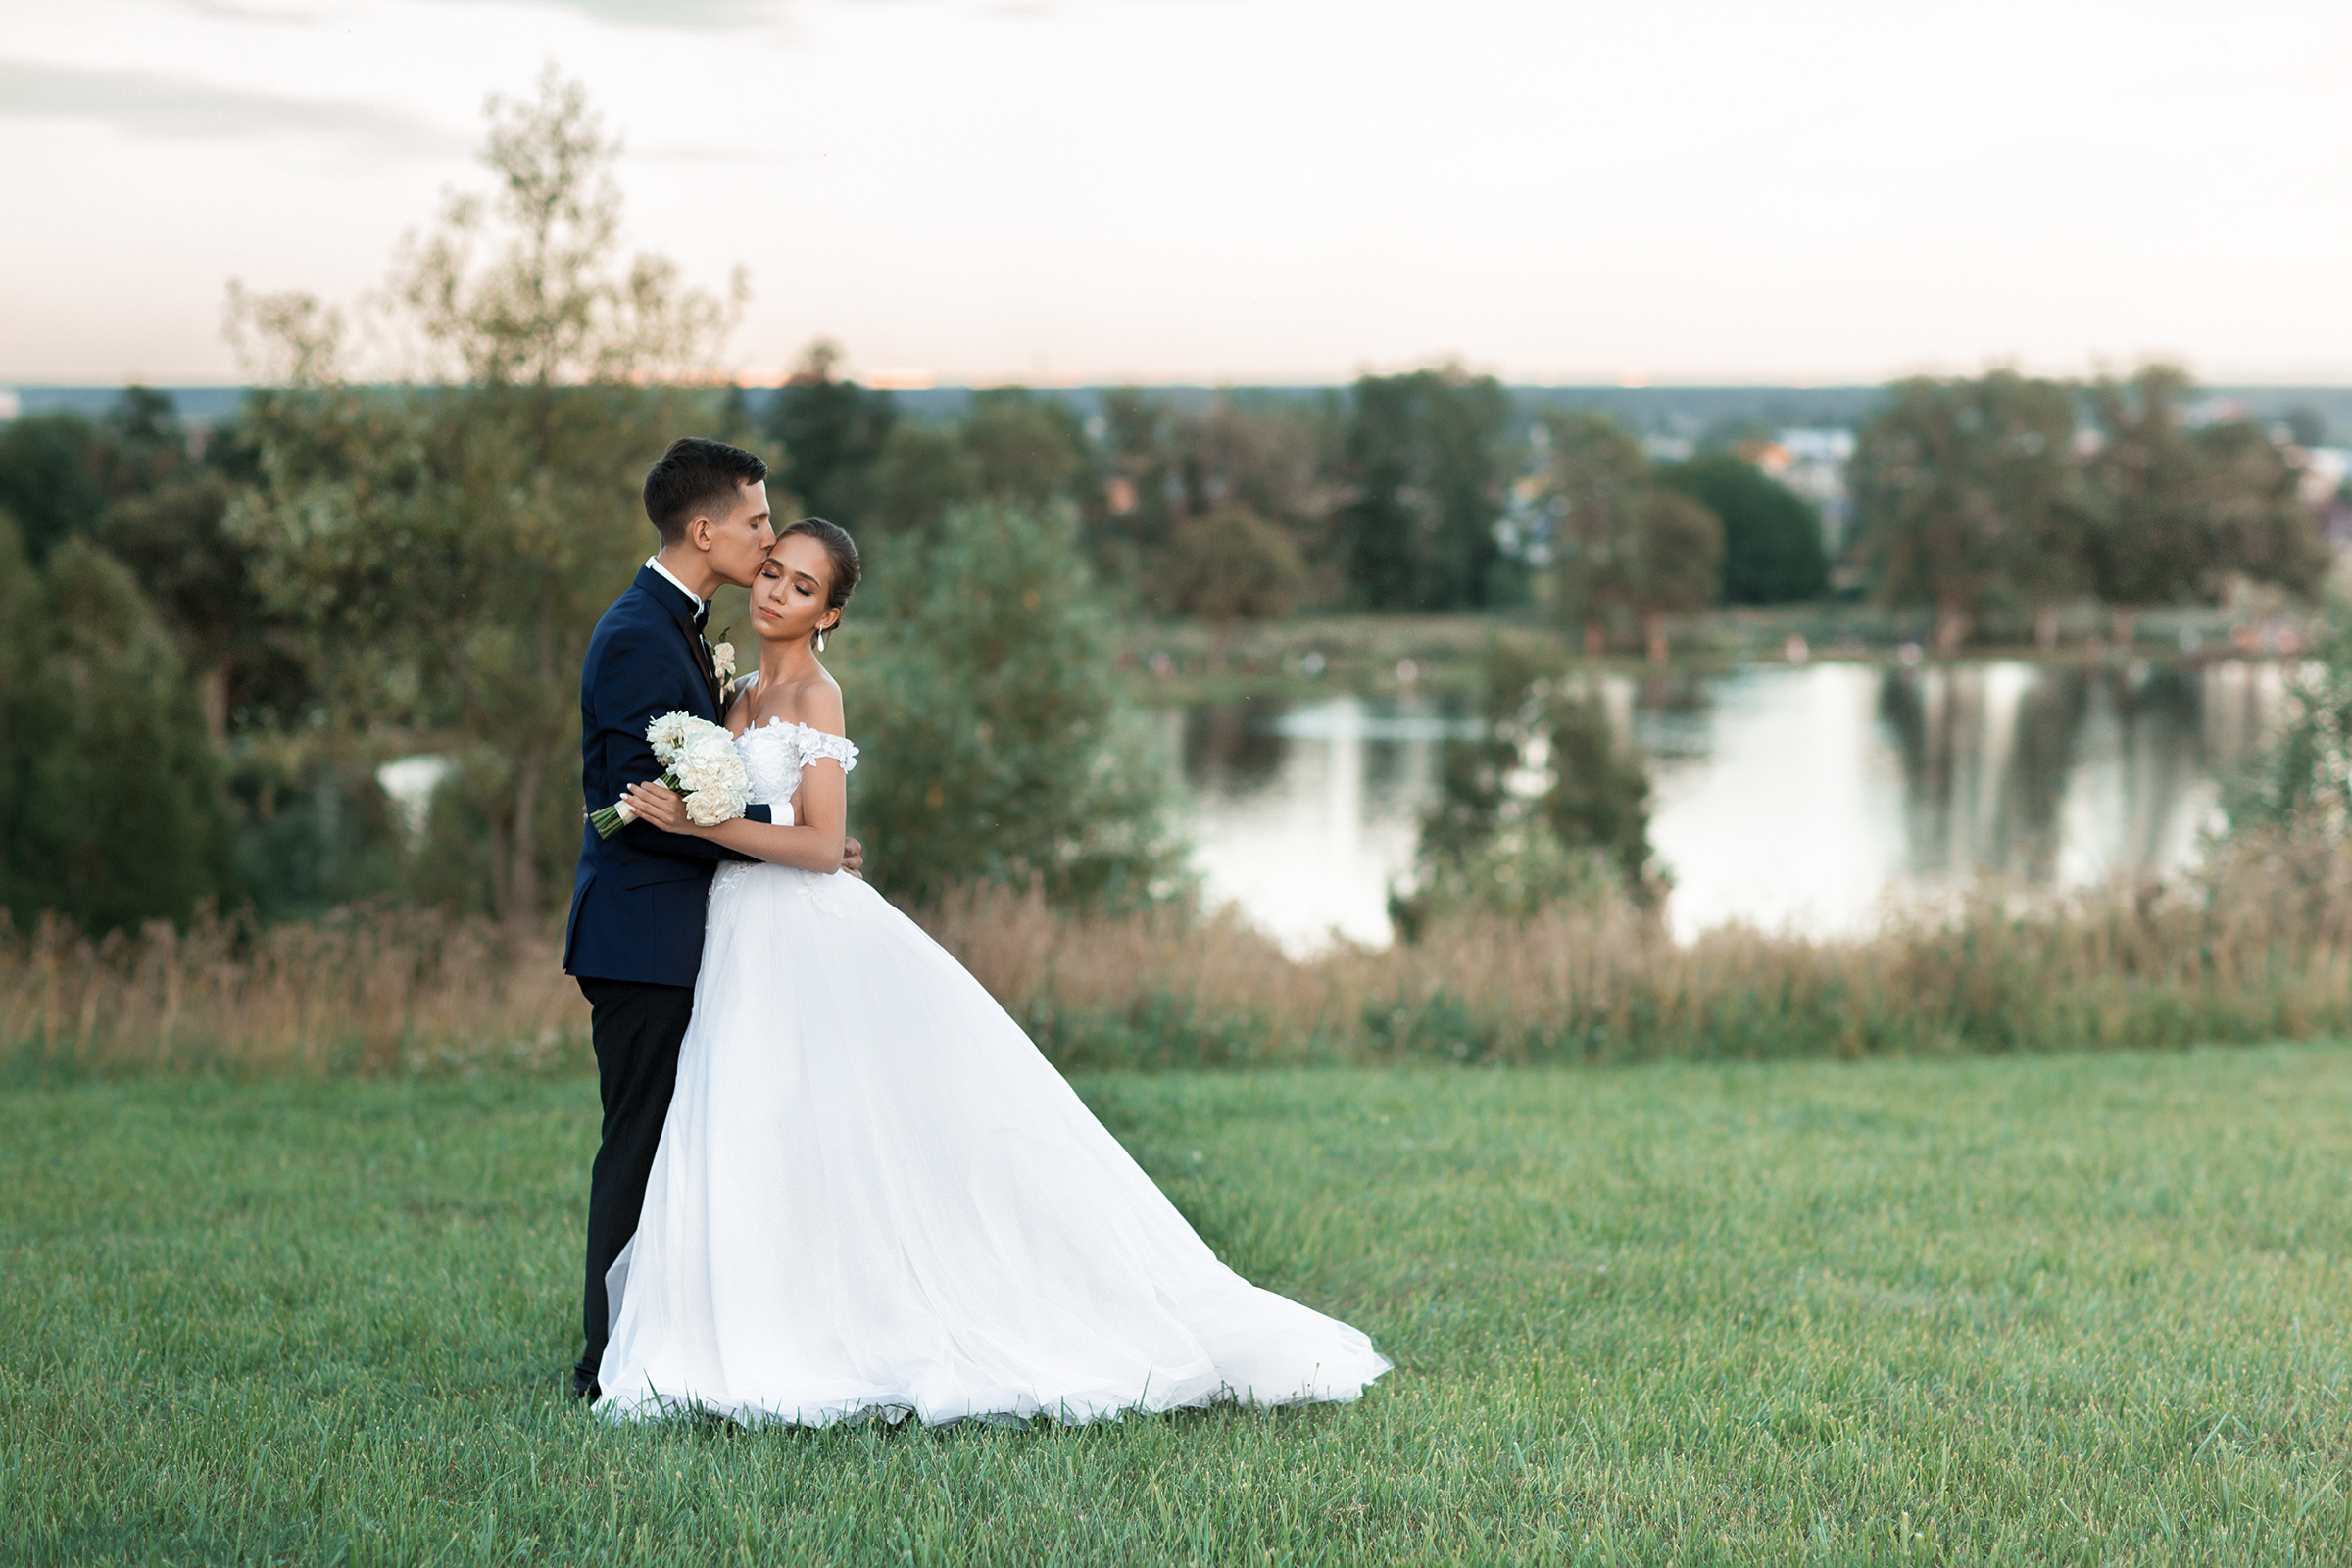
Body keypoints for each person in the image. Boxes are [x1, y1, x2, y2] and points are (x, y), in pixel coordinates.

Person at [596, 517, 1390, 1426]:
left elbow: (817, 846)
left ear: (833, 613)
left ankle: (876, 1324)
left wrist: (694, 826)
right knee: (755, 1121)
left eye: (803, 586)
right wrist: (686, 817)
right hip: (737, 931)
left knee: (847, 1124)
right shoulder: (733, 696)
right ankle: (753, 1320)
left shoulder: (818, 695)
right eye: (772, 572)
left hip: (802, 932)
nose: (777, 592)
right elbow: (764, 820)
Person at [562, 438, 864, 1403]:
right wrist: (787, 829)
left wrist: (800, 833)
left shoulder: (682, 627)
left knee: (694, 1145)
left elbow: (703, 798)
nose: (768, 542)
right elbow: (643, 808)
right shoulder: (642, 636)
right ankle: (608, 1363)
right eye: (758, 525)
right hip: (642, 934)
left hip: (705, 933)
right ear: (707, 531)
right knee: (641, 1149)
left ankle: (679, 1338)